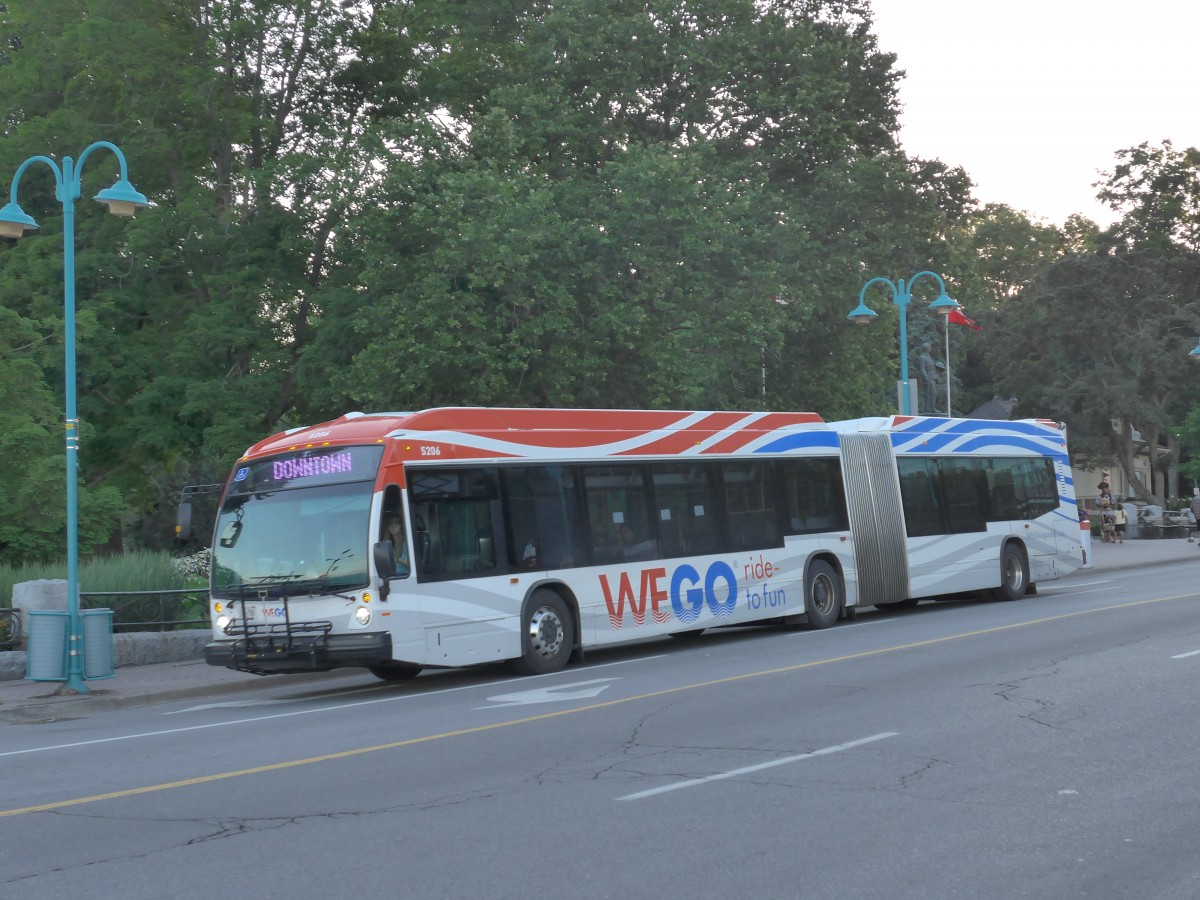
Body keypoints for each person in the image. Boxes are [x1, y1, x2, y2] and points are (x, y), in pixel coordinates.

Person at [917, 342, 938, 414]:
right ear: (926, 348)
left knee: (933, 393)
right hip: (928, 377)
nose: (931, 348)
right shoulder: (923, 357)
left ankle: (932, 408)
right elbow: (922, 369)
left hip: (933, 376)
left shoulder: (929, 356)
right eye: (929, 347)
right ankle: (929, 409)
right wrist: (926, 377)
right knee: (931, 393)